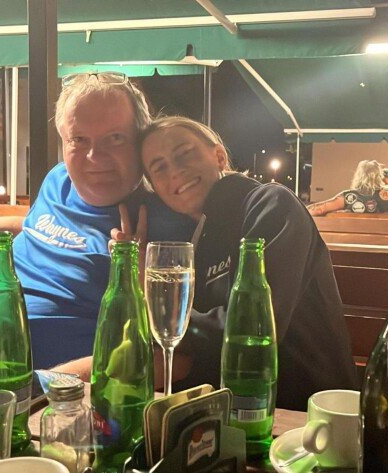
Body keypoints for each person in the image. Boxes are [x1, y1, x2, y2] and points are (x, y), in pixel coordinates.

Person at [0, 72, 195, 370]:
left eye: (115, 138)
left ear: (140, 141)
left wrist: (49, 382)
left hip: (57, 394)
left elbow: (175, 357)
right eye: (79, 139)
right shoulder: (58, 180)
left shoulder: (159, 221)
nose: (94, 156)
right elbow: (33, 225)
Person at [113, 116, 358, 410]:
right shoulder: (196, 239)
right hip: (230, 410)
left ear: (219, 156)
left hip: (306, 412)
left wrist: (165, 321)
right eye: (159, 168)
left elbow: (254, 327)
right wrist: (139, 277)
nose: (175, 171)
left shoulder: (271, 204)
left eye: (184, 153)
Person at [307, 159, 388, 216]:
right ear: (379, 176)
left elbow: (319, 210)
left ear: (358, 176)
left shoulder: (348, 196)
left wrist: (303, 210)